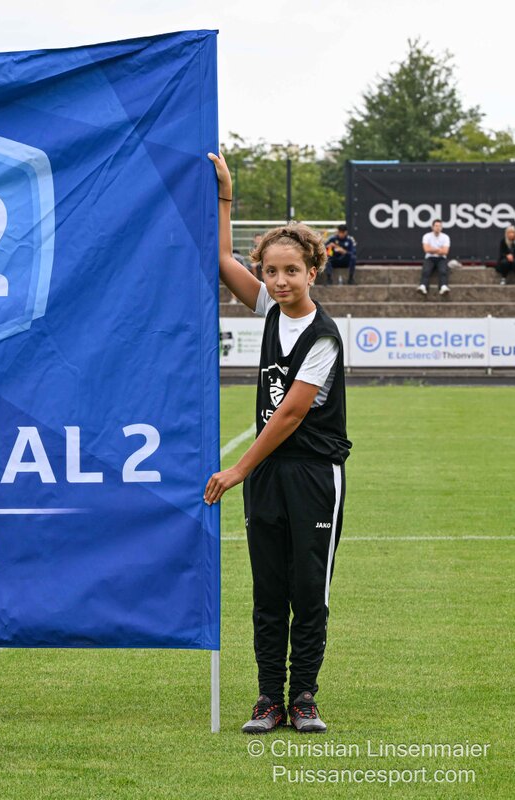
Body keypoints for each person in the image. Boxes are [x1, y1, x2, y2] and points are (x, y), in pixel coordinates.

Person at [205, 152, 351, 735]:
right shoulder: (268, 309)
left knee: (308, 590)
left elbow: (290, 413)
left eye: (292, 270)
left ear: (313, 271)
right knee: (268, 589)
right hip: (268, 473)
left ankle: (304, 697)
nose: (280, 280)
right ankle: (268, 698)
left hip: (313, 473)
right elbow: (222, 260)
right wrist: (226, 194)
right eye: (271, 271)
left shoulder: (325, 336)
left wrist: (237, 468)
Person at [420, 220, 450, 296]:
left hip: (441, 258)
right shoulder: (426, 236)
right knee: (426, 271)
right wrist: (439, 250)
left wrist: (432, 249)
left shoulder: (445, 237)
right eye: (436, 226)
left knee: (443, 271)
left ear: (441, 228)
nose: (438, 228)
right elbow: (426, 249)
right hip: (430, 258)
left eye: (439, 226)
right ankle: (423, 286)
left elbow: (445, 251)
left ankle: (443, 287)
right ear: (432, 227)